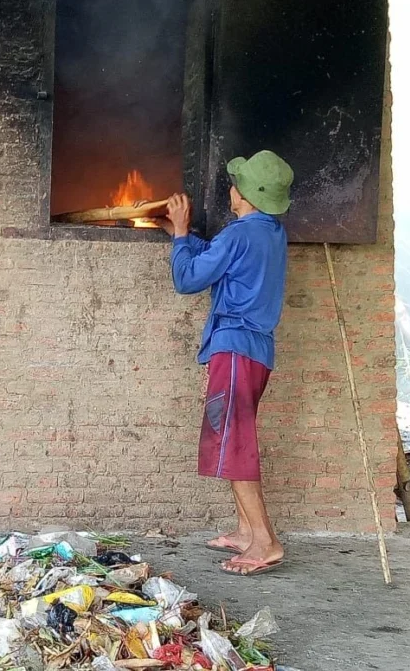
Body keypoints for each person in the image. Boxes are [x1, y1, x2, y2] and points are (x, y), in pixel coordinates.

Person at [160, 150, 293, 576]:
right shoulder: (271, 232)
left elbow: (187, 280)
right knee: (237, 438)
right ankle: (244, 531)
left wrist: (181, 235)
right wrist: (179, 236)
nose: (230, 191)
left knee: (235, 446)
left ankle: (266, 542)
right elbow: (222, 254)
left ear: (246, 195)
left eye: (235, 185)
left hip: (233, 349)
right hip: (257, 352)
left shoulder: (239, 235)